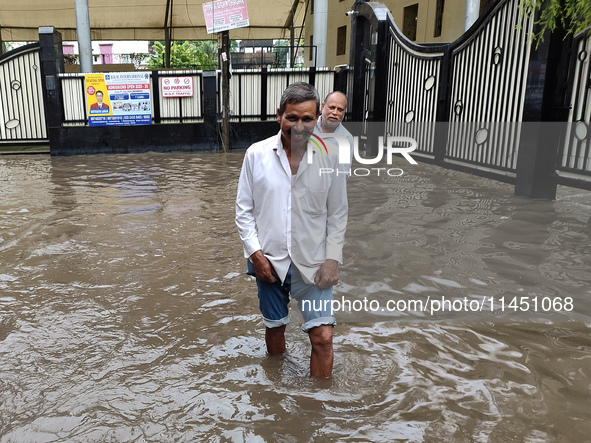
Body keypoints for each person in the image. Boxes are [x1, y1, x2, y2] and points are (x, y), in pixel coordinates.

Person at [235, 82, 348, 378]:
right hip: (269, 261)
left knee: (323, 338)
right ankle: (276, 396)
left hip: (314, 262)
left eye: (307, 119)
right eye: (292, 118)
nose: (299, 126)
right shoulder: (256, 155)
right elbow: (244, 211)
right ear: (279, 116)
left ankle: (318, 409)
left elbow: (337, 214)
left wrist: (332, 259)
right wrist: (256, 255)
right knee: (275, 330)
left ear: (317, 119)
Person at [315, 91, 354, 173]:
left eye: (340, 110)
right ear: (323, 106)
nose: (335, 113)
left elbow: (343, 173)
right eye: (332, 107)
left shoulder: (346, 138)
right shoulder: (307, 127)